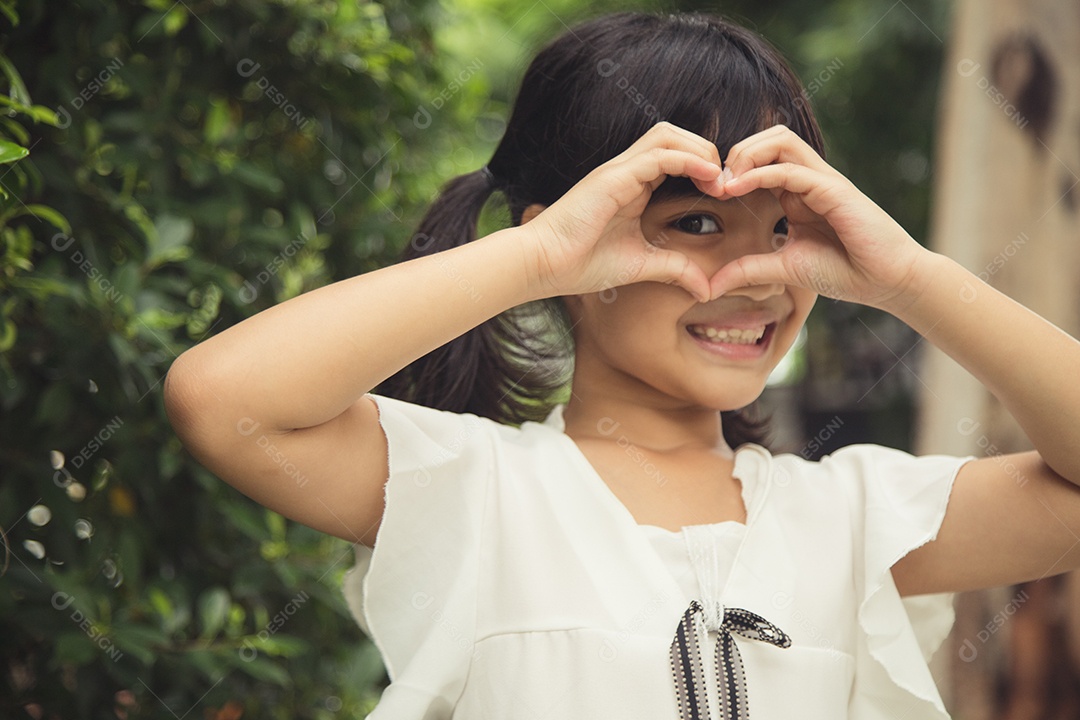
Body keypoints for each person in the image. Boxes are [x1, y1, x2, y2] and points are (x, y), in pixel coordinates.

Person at [163, 10, 1080, 720]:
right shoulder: (474, 490)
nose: (755, 277)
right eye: (694, 223)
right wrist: (536, 258)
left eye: (785, 229)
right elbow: (223, 403)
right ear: (576, 242)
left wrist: (911, 278)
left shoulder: (852, 516)